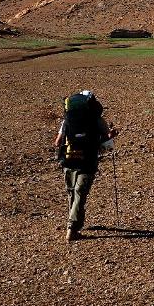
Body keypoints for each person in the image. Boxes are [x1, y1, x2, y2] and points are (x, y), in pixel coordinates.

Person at [53, 90, 118, 242]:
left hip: (68, 160)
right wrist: (112, 135)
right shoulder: (97, 120)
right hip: (88, 160)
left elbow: (57, 142)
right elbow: (106, 142)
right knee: (80, 193)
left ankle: (75, 223)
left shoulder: (67, 120)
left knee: (72, 192)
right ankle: (72, 228)